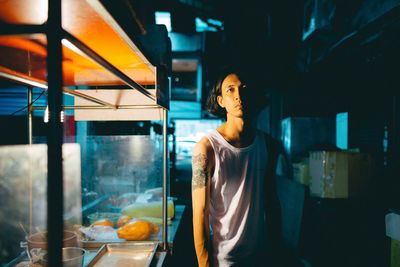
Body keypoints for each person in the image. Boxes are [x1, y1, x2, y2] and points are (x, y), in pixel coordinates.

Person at [191, 66, 285, 267]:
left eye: (243, 88)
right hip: (224, 260)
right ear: (221, 101)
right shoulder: (207, 148)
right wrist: (203, 263)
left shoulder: (268, 145)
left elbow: (272, 202)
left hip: (261, 258)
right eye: (230, 90)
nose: (238, 95)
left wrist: (278, 252)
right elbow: (199, 212)